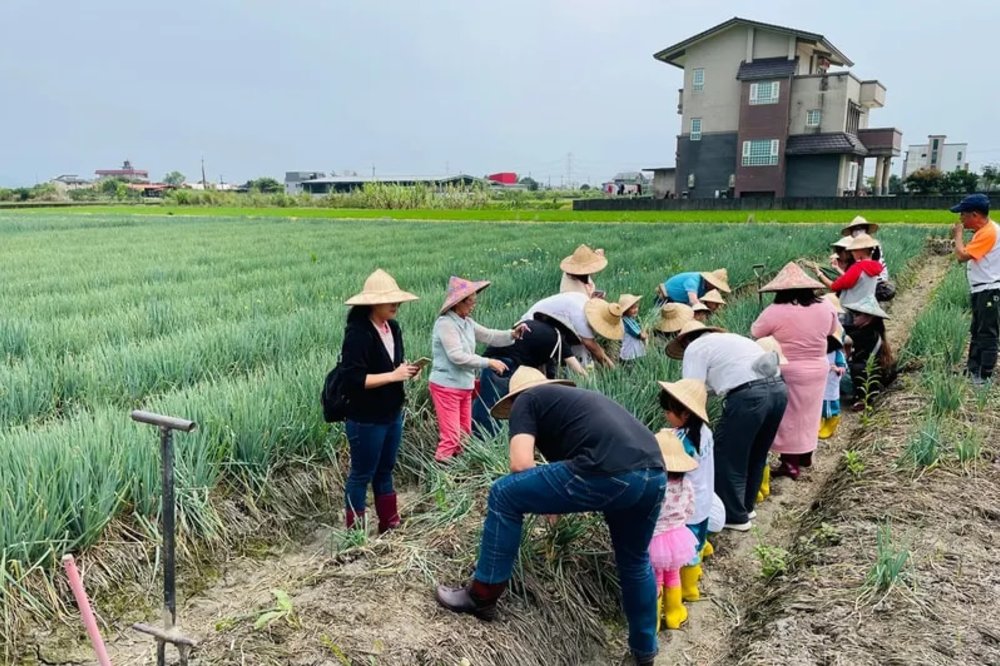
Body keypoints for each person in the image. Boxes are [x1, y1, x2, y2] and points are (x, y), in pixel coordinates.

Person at [435, 367, 668, 666]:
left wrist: (528, 498)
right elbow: (563, 474)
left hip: (611, 470)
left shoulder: (526, 400)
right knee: (635, 562)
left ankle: (482, 596)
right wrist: (549, 506)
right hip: (654, 474)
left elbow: (521, 464)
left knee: (504, 494)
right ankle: (644, 653)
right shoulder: (570, 405)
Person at [667, 321, 787, 530]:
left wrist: (689, 428)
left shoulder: (695, 348)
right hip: (778, 391)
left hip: (750, 398)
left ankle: (734, 516)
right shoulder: (731, 340)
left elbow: (691, 390)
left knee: (727, 455)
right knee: (756, 452)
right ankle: (747, 508)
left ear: (686, 341)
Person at [340, 269, 422, 531]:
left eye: (397, 300)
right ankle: (356, 535)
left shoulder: (393, 328)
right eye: (390, 301)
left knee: (385, 471)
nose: (396, 305)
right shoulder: (358, 333)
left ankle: (390, 524)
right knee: (361, 474)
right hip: (366, 418)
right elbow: (354, 380)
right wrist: (393, 374)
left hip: (391, 413)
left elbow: (394, 365)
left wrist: (407, 371)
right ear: (373, 303)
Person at [751, 262, 839, 481]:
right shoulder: (825, 306)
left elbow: (756, 332)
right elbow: (831, 330)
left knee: (789, 417)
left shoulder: (775, 310)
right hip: (818, 368)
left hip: (790, 369)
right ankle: (805, 455)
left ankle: (790, 464)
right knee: (810, 413)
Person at [430, 276, 528, 462]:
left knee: (465, 435)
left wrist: (512, 334)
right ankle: (440, 480)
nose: (474, 305)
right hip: (446, 387)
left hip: (464, 386)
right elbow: (456, 356)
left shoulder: (467, 322)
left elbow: (489, 335)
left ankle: (456, 475)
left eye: (475, 301)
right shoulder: (446, 324)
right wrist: (488, 362)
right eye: (470, 301)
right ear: (458, 303)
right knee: (451, 437)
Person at [473, 314, 587, 437]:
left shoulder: (531, 324)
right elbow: (578, 370)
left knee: (484, 402)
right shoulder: (557, 338)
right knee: (496, 408)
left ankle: (473, 439)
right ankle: (489, 440)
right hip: (507, 366)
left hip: (490, 362)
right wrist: (590, 381)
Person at [658, 378, 714, 603]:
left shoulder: (683, 443)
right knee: (697, 542)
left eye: (669, 412)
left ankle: (684, 590)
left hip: (685, 507)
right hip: (703, 500)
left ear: (686, 414)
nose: (666, 416)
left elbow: (672, 469)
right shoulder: (704, 432)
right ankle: (691, 588)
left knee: (684, 552)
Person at [647, 429, 698, 631]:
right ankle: (674, 614)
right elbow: (690, 508)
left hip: (656, 538)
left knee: (656, 578)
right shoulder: (686, 483)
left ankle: (655, 621)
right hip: (678, 536)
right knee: (673, 575)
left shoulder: (655, 484)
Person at [951, 193, 1000, 385]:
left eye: (963, 214)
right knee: (978, 330)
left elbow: (962, 256)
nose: (960, 219)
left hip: (989, 289)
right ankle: (973, 369)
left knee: (987, 332)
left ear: (975, 215)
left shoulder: (989, 232)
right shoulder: (985, 231)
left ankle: (984, 374)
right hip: (983, 289)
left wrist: (958, 236)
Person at [522, 291, 617, 368]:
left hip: (551, 323)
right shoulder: (580, 316)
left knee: (580, 349)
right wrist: (612, 368)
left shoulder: (584, 299)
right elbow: (591, 345)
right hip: (531, 327)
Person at [843, 296, 895, 409]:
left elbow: (844, 339)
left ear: (869, 317)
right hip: (874, 375)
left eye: (857, 314)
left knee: (839, 372)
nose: (854, 317)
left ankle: (865, 397)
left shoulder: (868, 334)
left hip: (870, 376)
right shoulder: (872, 330)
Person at [809, 233, 882, 309]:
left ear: (860, 251)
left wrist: (819, 273)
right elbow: (854, 281)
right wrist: (837, 268)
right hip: (867, 306)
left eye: (853, 250)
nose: (852, 253)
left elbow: (834, 286)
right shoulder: (875, 266)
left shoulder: (858, 267)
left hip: (852, 307)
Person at [819, 330, 848, 440]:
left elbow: (843, 367)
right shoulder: (819, 352)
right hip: (820, 382)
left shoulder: (837, 353)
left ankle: (830, 425)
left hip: (831, 382)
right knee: (819, 403)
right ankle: (819, 424)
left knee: (831, 404)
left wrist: (837, 369)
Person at [657, 269, 731, 306]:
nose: (716, 289)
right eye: (716, 286)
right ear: (710, 281)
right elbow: (693, 301)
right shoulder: (694, 280)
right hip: (665, 299)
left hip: (680, 302)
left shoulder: (707, 288)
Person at [619, 294, 647, 363]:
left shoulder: (630, 319)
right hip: (631, 355)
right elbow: (640, 336)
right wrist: (645, 334)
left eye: (636, 307)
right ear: (625, 310)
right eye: (632, 308)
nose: (635, 310)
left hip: (633, 354)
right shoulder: (627, 321)